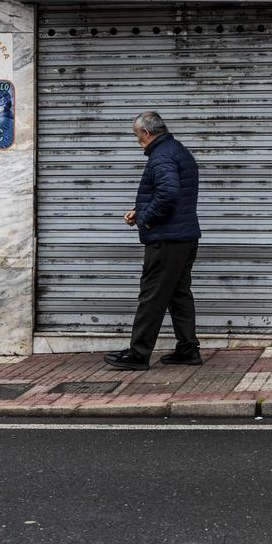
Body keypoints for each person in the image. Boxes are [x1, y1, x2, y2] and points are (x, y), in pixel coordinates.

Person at [104, 112, 203, 370]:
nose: (138, 143)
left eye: (137, 137)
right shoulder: (177, 150)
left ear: (147, 133)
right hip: (184, 236)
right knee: (179, 294)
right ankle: (188, 349)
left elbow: (168, 194)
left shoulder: (162, 156)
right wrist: (140, 212)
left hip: (167, 239)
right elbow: (172, 196)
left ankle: (138, 354)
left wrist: (146, 218)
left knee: (152, 295)